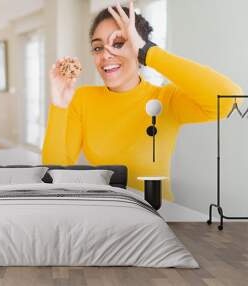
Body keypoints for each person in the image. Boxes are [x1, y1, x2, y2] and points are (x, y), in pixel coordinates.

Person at [42, 1, 243, 201]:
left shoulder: (166, 99)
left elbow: (229, 98)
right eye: (97, 48)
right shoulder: (82, 99)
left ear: (138, 49)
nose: (105, 54)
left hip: (156, 213)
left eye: (119, 43)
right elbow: (54, 175)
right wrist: (59, 105)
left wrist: (147, 51)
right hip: (105, 211)